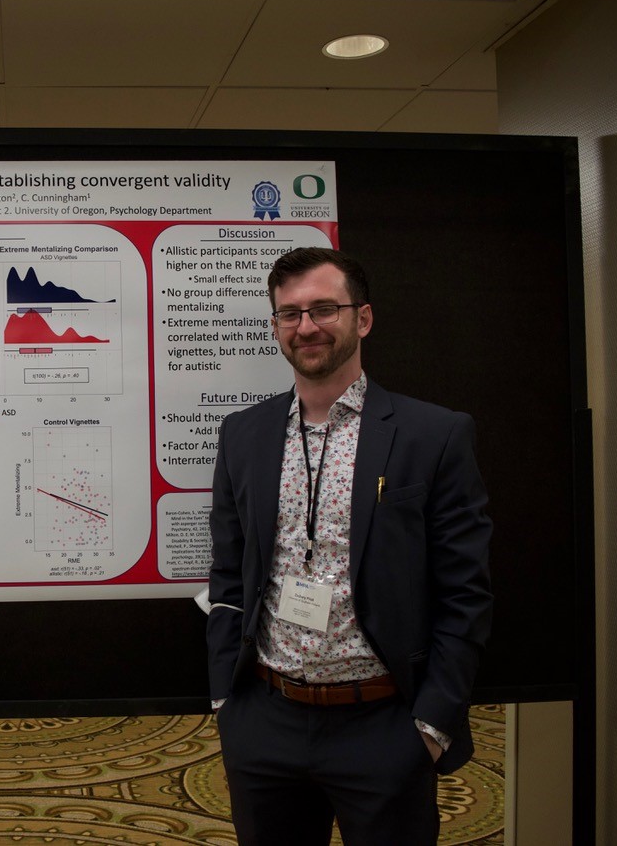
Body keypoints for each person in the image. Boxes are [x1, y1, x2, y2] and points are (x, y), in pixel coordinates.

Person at [206, 248, 493, 845]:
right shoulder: (243, 434)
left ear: (362, 318)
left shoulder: (432, 435)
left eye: (323, 309)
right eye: (289, 313)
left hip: (384, 725)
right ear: (276, 326)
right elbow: (229, 571)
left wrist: (430, 726)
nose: (306, 326)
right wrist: (226, 702)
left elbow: (465, 593)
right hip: (266, 721)